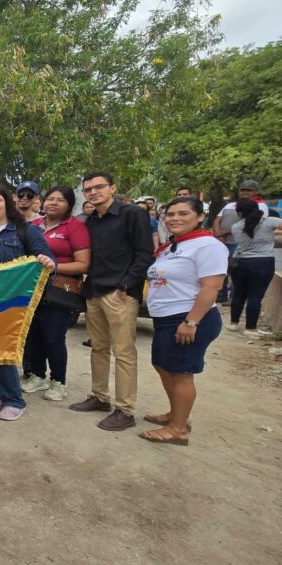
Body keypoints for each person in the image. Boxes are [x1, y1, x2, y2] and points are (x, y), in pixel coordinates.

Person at [69, 172, 155, 431]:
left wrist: (126, 286)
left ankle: (125, 410)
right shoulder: (91, 221)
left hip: (119, 293)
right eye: (88, 189)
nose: (93, 192)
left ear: (112, 188)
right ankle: (100, 397)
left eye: (99, 187)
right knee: (98, 347)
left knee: (124, 352)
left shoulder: (132, 214)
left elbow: (144, 254)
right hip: (94, 290)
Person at [140, 196, 228, 445]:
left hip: (189, 318)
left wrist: (191, 322)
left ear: (200, 216)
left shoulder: (208, 246)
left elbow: (211, 287)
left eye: (183, 213)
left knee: (181, 373)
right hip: (166, 318)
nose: (175, 218)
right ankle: (177, 414)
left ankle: (178, 430)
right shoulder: (174, 245)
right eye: (170, 214)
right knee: (163, 365)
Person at [0, 185, 56, 420]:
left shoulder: (26, 230)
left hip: (11, 301)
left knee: (2, 347)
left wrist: (49, 263)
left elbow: (48, 258)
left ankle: (13, 399)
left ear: (7, 203)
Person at [21, 186, 91, 402]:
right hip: (33, 289)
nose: (53, 203)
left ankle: (58, 381)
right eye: (50, 198)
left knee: (53, 337)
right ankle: (37, 376)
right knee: (33, 335)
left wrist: (53, 267)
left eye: (60, 200)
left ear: (69, 205)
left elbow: (83, 264)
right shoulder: (33, 225)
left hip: (59, 291)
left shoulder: (75, 227)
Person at [227, 198, 282, 335]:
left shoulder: (235, 227)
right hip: (262, 262)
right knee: (255, 295)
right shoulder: (270, 221)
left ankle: (233, 323)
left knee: (239, 293)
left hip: (239, 262)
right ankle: (250, 328)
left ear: (240, 213)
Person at [213, 180, 269, 302]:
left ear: (256, 192)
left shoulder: (260, 206)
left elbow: (255, 224)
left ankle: (235, 297)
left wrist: (224, 232)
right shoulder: (229, 205)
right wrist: (218, 234)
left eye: (249, 190)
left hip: (241, 244)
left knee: (237, 272)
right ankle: (221, 295)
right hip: (223, 242)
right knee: (221, 270)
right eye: (243, 190)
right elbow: (217, 220)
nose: (245, 192)